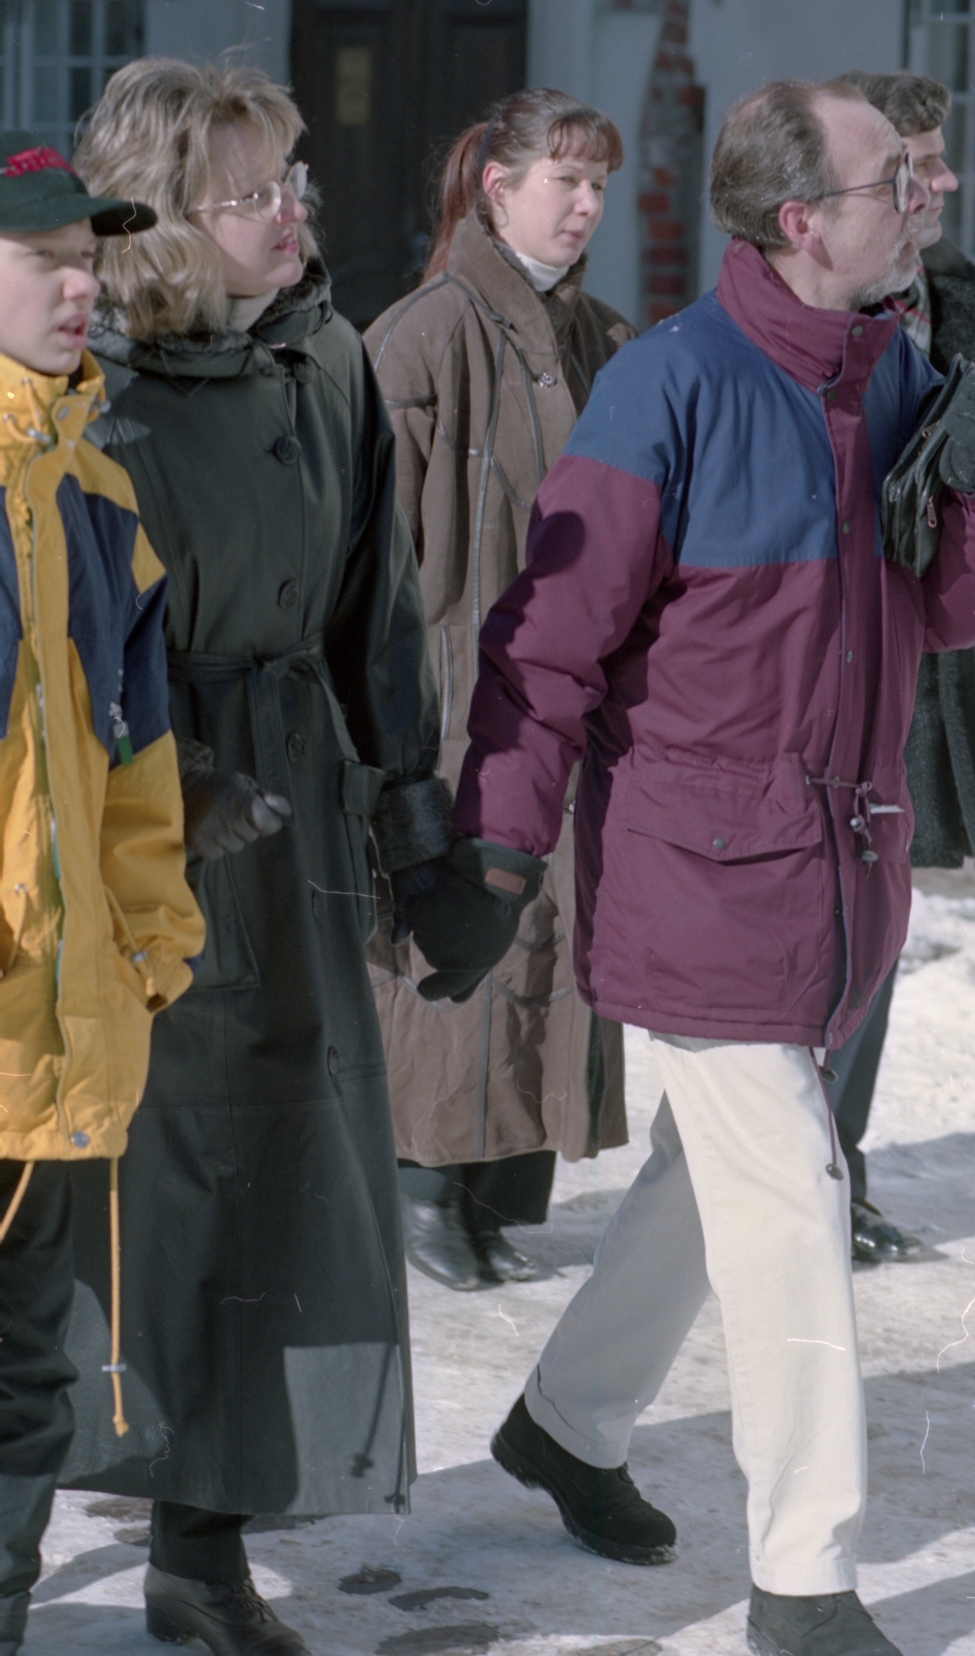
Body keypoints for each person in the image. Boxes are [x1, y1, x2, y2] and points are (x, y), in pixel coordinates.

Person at [393, 78, 975, 1656]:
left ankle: (565, 1421)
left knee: (707, 1174)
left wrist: (963, 467)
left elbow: (937, 612)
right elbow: (544, 644)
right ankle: (802, 1577)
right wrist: (496, 851)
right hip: (704, 869)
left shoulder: (892, 373)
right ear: (800, 221)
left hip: (836, 868)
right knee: (788, 1190)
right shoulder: (670, 385)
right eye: (891, 182)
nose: (921, 198)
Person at [61, 60, 452, 1656]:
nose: (292, 213)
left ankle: (200, 1546)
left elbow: (378, 609)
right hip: (133, 837)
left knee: (281, 1177)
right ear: (160, 217)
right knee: (134, 1187)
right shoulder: (82, 389)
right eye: (250, 194)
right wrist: (164, 783)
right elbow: (51, 655)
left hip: (291, 823)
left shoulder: (324, 359)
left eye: (293, 181)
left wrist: (417, 821)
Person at [363, 90, 632, 1291]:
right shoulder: (421, 335)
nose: (587, 206)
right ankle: (423, 1188)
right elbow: (373, 556)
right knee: (463, 936)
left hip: (569, 699)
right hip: (457, 692)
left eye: (599, 184)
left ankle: (494, 1193)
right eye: (565, 181)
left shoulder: (605, 336)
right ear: (497, 187)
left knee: (548, 937)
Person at [0, 136, 203, 1655]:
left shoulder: (97, 492)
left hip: (55, 1025)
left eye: (89, 260)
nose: (81, 287)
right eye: (44, 260)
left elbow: (136, 764)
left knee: (24, 1365)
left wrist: (149, 944)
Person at [820, 68, 969, 1263]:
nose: (944, 182)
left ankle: (839, 1166)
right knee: (831, 924)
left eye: (942, 156)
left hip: (940, 658)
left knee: (885, 916)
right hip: (835, 657)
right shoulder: (807, 305)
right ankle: (812, 1173)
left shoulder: (960, 301)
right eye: (917, 162)